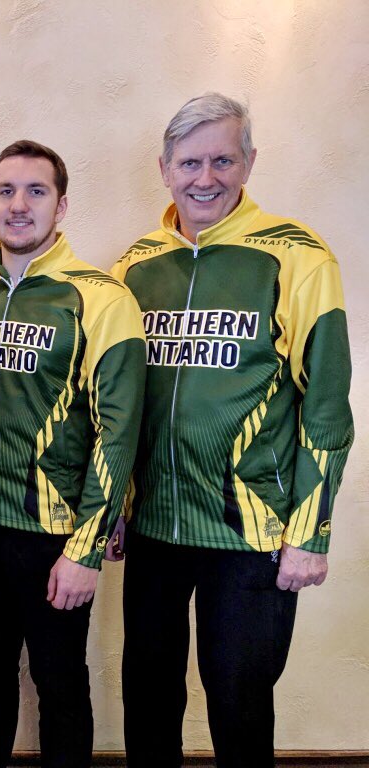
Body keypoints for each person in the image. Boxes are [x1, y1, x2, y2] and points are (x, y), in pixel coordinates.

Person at [111, 93, 354, 768]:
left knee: (239, 705)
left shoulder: (297, 255)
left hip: (250, 532)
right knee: (149, 700)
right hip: (155, 528)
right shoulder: (134, 264)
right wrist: (117, 507)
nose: (205, 178)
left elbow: (327, 404)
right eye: (190, 162)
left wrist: (310, 532)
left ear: (249, 162)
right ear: (164, 167)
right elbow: (116, 403)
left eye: (223, 160)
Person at [0, 140, 146, 767]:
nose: (19, 204)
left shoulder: (101, 299)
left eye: (36, 191)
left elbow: (119, 432)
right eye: (6, 190)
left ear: (62, 206)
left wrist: (85, 549)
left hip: (55, 535)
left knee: (62, 684)